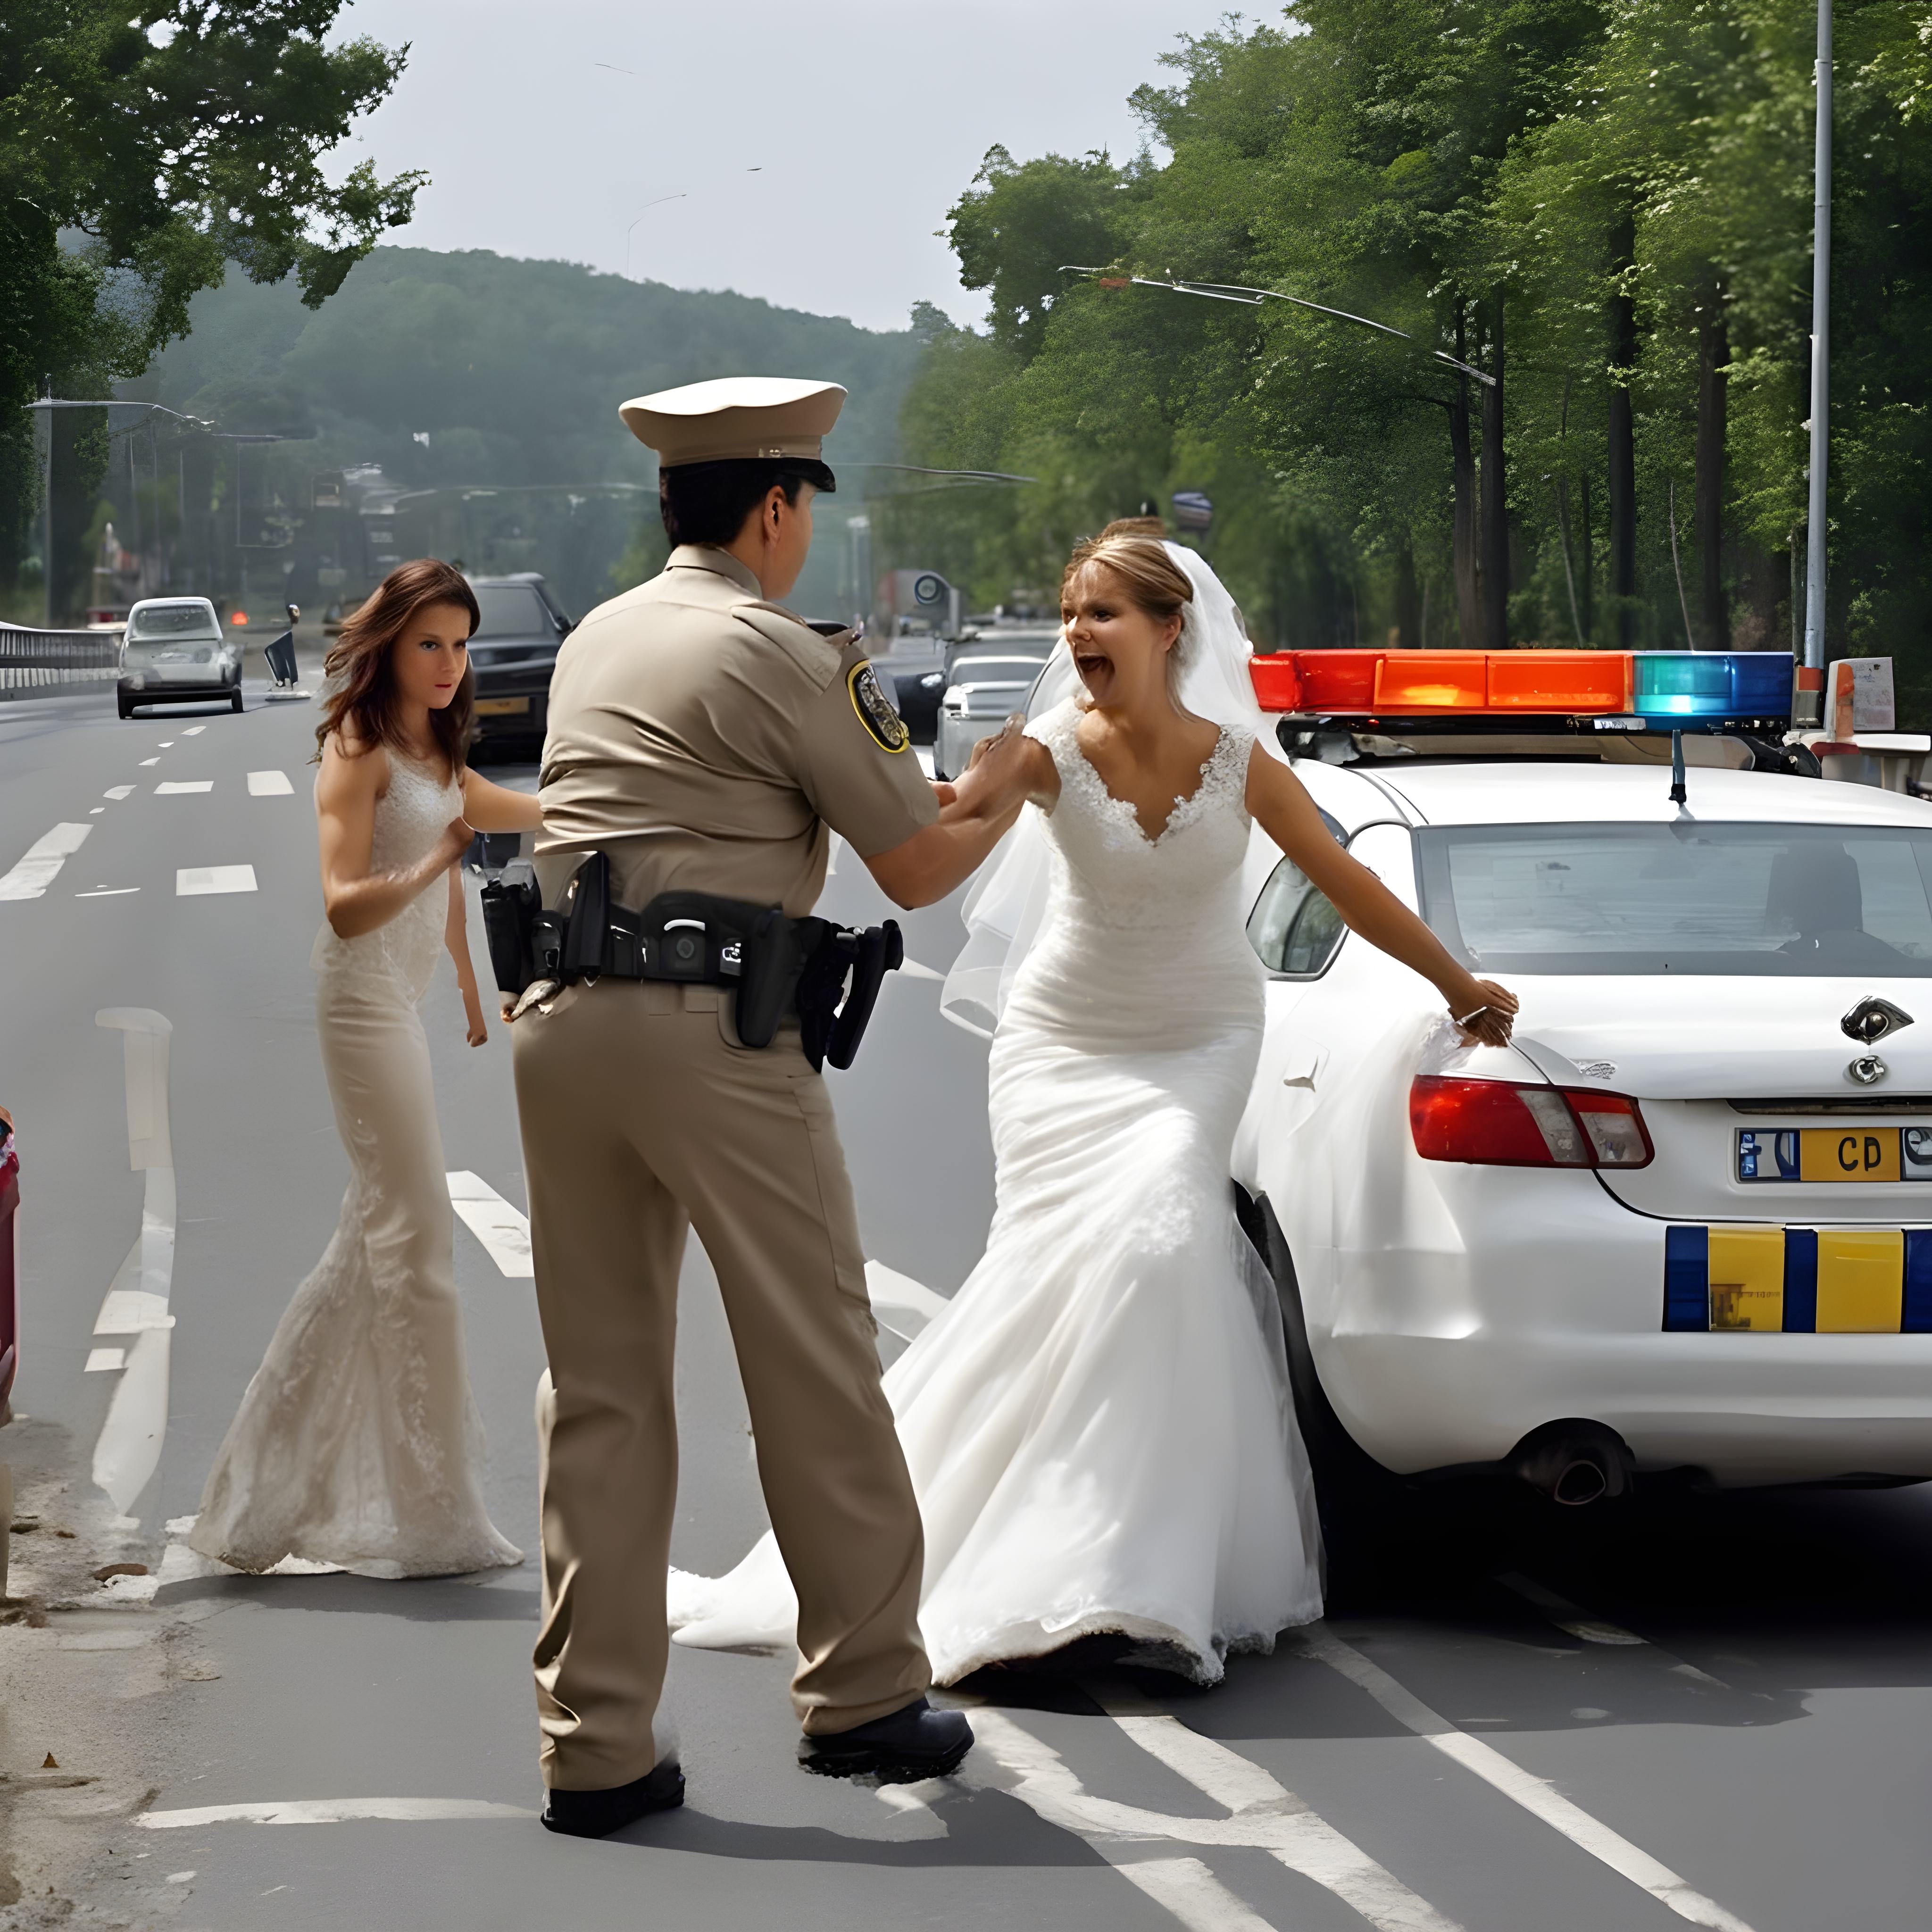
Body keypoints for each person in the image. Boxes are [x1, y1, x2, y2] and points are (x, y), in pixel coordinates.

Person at [669, 529, 1517, 1686]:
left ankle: (1135, 1580)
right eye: (1071, 614)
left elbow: (1348, 880)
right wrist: (868, 796)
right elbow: (929, 860)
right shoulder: (1044, 750)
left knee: (1163, 1240)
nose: (1077, 634)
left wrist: (1457, 983)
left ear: (1171, 629)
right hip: (1061, 1043)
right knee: (1063, 1272)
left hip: (1200, 1043)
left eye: (1103, 613)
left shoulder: (1241, 760)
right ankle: (1008, 1558)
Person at [512, 377, 1034, 1839]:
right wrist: (1002, 782)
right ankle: (864, 1690)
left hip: (561, 1027)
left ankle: (592, 1744)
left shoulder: (599, 637)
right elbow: (920, 864)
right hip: (713, 1037)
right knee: (813, 1355)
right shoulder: (781, 651)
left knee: (601, 1394)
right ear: (776, 508)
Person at [189, 559, 543, 1579]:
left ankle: (256, 1500)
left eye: (462, 642)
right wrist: (442, 862)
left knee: (370, 1245)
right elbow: (347, 899)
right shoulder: (356, 744)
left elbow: (494, 815)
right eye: (430, 641)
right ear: (388, 643)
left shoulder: (436, 741)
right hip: (356, 1006)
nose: (450, 662)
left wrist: (474, 985)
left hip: (403, 1002)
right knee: (415, 1236)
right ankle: (435, 1511)